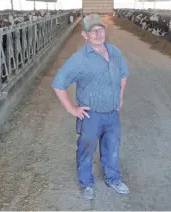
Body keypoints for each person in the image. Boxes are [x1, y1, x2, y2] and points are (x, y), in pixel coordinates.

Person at [51, 14, 129, 200]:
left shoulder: (115, 52)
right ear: (84, 35)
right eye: (92, 31)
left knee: (112, 147)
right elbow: (58, 84)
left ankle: (113, 179)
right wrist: (72, 109)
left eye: (100, 29)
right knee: (87, 150)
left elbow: (123, 74)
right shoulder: (79, 59)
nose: (97, 33)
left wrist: (120, 96)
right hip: (90, 116)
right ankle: (86, 183)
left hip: (112, 114)